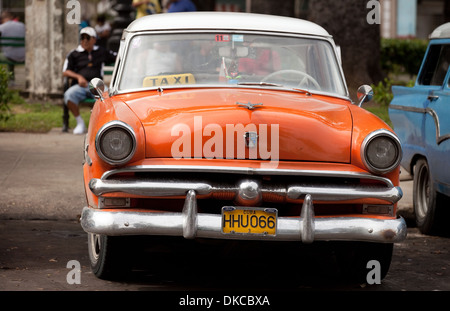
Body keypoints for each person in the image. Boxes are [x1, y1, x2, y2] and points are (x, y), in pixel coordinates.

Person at [63, 27, 116, 134]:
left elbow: (117, 56)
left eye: (87, 37)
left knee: (108, 98)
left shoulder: (101, 51)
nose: (84, 40)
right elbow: (65, 71)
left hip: (97, 85)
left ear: (94, 39)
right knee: (68, 95)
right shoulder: (74, 54)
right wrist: (78, 77)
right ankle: (80, 122)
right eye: (82, 37)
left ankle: (101, 124)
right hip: (80, 86)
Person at [0, 10, 25, 81]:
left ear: (3, 19)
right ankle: (11, 79)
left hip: (10, 57)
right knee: (10, 52)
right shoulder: (22, 25)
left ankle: (11, 80)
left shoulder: (2, 27)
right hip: (24, 56)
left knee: (8, 54)